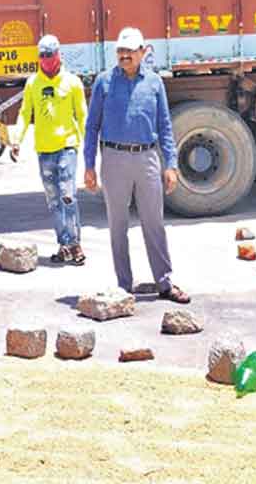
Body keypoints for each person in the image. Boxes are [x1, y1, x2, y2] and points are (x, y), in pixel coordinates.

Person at [83, 27, 191, 304]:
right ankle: (123, 286)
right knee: (117, 225)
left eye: (130, 51)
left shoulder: (154, 83)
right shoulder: (103, 83)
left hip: (147, 160)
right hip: (114, 159)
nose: (125, 55)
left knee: (154, 223)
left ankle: (165, 282)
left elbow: (165, 126)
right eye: (120, 50)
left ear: (143, 52)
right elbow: (91, 126)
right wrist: (89, 165)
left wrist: (172, 165)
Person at [11, 35, 88, 265]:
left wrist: (90, 149)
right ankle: (63, 244)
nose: (46, 60)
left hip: (67, 147)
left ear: (58, 55)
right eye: (42, 56)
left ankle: (75, 243)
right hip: (44, 150)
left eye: (49, 55)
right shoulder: (33, 83)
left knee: (67, 195)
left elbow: (82, 115)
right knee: (53, 200)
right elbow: (25, 113)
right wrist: (17, 139)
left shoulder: (72, 82)